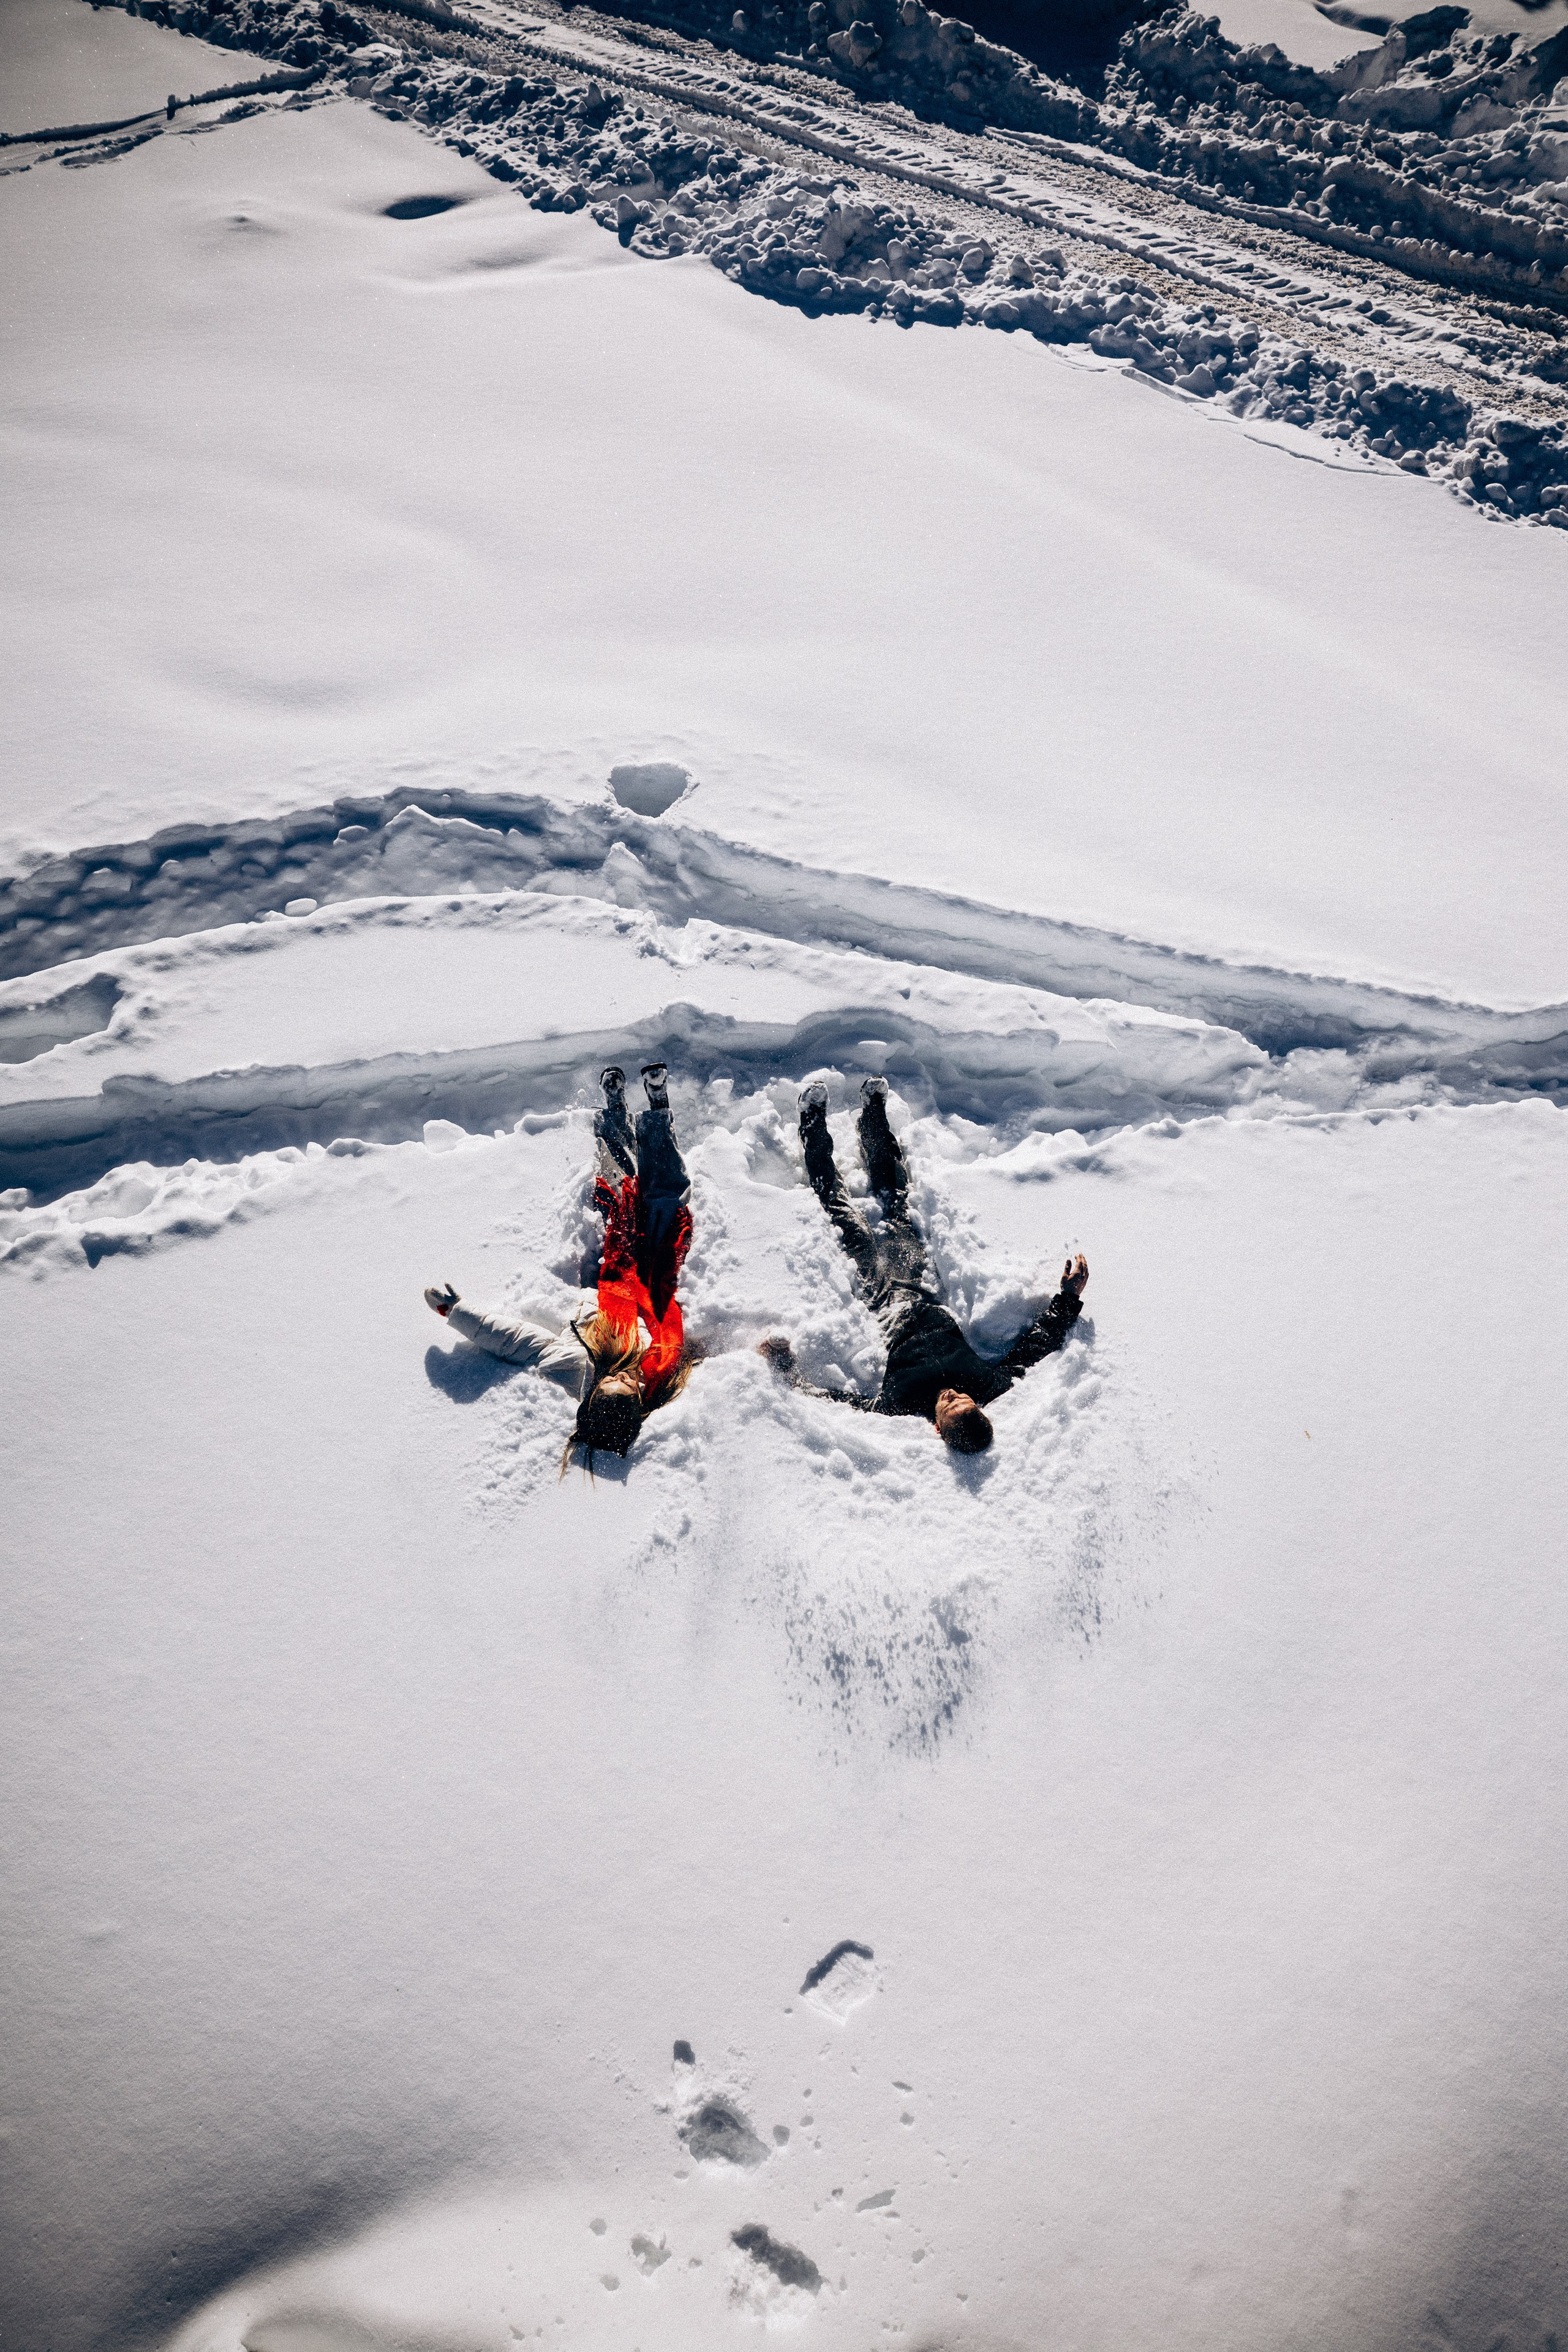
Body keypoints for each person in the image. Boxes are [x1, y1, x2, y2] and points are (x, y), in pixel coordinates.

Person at [763, 1078, 1088, 1455]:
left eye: (950, 1407)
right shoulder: (990, 1386)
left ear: (937, 1426)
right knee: (897, 1205)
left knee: (848, 1222)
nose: (953, 1395)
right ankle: (873, 1120)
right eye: (965, 1400)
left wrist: (786, 1373)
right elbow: (1036, 1347)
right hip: (920, 1288)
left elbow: (838, 1404)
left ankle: (812, 1127)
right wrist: (1068, 1298)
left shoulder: (900, 1405)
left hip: (883, 1303)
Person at [424, 1062, 693, 1470]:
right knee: (665, 1204)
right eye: (630, 1388)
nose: (624, 1378)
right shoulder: (659, 1377)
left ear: (594, 1392)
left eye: (612, 1384)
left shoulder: (572, 1369)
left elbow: (520, 1342)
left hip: (612, 1280)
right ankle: (658, 1109)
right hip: (648, 1288)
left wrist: (458, 1314)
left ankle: (615, 1111)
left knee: (620, 1189)